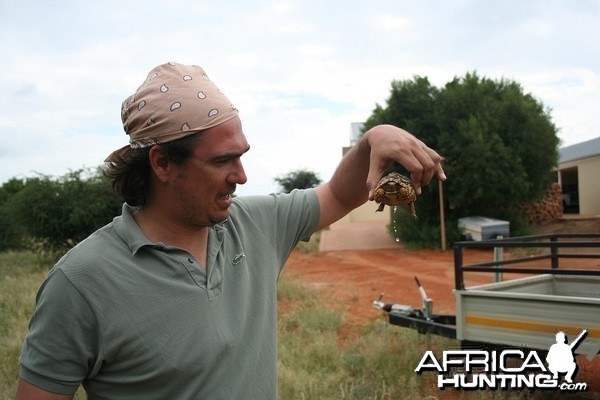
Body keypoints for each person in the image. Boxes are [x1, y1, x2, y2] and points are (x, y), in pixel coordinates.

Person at [16, 62, 445, 399]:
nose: (241, 176)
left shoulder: (254, 225)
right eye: (223, 160)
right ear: (163, 163)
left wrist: (373, 138)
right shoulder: (82, 282)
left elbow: (337, 194)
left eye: (242, 156)